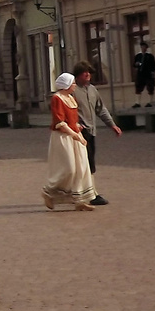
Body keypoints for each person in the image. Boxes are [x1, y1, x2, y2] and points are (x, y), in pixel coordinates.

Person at [42, 74, 96, 211]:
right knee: (69, 168)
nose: (74, 86)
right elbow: (59, 121)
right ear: (66, 85)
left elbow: (72, 119)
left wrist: (77, 127)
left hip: (74, 135)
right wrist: (74, 134)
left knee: (81, 167)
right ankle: (49, 192)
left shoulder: (71, 98)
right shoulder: (57, 98)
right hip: (63, 137)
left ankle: (79, 200)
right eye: (72, 83)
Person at [72, 63, 121, 206]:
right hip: (80, 132)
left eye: (89, 72)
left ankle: (82, 191)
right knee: (84, 163)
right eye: (84, 72)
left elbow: (101, 109)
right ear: (78, 75)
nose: (87, 75)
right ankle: (91, 194)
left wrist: (112, 124)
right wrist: (75, 124)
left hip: (92, 131)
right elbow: (67, 110)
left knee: (90, 162)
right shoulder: (73, 90)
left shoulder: (93, 90)